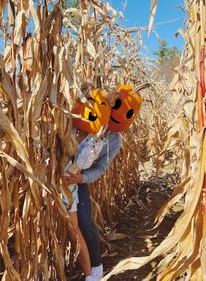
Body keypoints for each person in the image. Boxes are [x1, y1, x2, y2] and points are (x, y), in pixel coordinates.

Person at [66, 84, 143, 280]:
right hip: (56, 176)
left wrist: (81, 177)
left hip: (78, 180)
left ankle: (95, 267)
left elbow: (100, 168)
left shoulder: (114, 140)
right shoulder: (76, 120)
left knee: (84, 223)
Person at [63, 83, 112, 281]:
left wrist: (95, 139)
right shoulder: (64, 123)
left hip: (68, 187)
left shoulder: (93, 139)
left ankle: (91, 275)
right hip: (45, 184)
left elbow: (84, 164)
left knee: (75, 230)